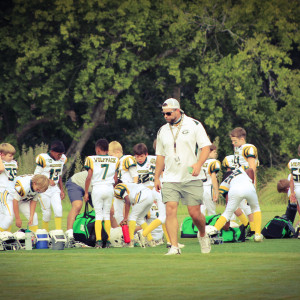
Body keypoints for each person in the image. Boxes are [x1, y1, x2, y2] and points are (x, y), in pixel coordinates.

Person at [154, 98, 212, 255]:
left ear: (177, 110)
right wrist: (156, 176)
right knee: (170, 210)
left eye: (168, 113)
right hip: (170, 178)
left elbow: (206, 147)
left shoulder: (194, 125)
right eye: (163, 113)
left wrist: (199, 164)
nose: (165, 116)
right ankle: (174, 247)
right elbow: (160, 155)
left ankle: (202, 234)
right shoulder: (162, 130)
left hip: (191, 176)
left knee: (194, 213)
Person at [84, 139, 119, 248]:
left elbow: (89, 176)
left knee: (98, 214)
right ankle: (107, 240)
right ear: (108, 150)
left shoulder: (91, 159)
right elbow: (115, 178)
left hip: (97, 188)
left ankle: (99, 241)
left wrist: (86, 192)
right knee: (107, 215)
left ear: (97, 149)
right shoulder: (115, 160)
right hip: (109, 188)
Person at [213, 167, 263, 242]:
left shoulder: (224, 184)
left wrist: (226, 225)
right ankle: (257, 234)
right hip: (249, 187)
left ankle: (213, 232)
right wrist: (252, 183)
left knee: (227, 213)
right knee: (255, 209)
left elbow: (228, 205)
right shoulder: (239, 170)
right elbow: (250, 170)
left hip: (235, 190)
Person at [229, 127, 259, 234]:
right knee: (234, 204)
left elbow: (252, 167)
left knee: (248, 206)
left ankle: (254, 229)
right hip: (238, 180)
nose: (233, 143)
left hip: (246, 180)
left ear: (242, 139)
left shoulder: (248, 148)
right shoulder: (238, 148)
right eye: (232, 141)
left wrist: (252, 182)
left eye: (235, 141)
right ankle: (247, 225)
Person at [34, 140, 67, 231]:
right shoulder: (43, 158)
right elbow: (36, 176)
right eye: (58, 154)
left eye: (61, 154)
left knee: (58, 210)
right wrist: (48, 180)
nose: (60, 156)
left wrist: (62, 189)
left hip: (54, 189)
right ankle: (46, 233)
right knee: (47, 213)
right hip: (43, 189)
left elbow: (59, 175)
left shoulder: (62, 159)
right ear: (52, 151)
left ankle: (58, 232)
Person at [114, 182, 155, 247]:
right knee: (140, 219)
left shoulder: (117, 188)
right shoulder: (129, 186)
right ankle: (150, 240)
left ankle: (131, 241)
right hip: (150, 196)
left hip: (143, 195)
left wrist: (125, 218)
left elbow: (127, 201)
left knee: (132, 217)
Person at [108, 141, 138, 225]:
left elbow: (135, 175)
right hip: (119, 191)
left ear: (118, 152)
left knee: (126, 213)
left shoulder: (127, 159)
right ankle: (123, 233)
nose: (110, 158)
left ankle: (130, 234)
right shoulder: (115, 162)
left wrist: (134, 189)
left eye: (111, 155)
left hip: (128, 189)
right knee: (117, 214)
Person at [65, 170, 93, 243]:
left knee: (108, 209)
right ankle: (69, 234)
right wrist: (86, 193)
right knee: (77, 205)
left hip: (91, 188)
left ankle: (114, 233)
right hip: (76, 183)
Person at [0, 143, 18, 232]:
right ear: (2, 154)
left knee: (6, 214)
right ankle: (4, 234)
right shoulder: (3, 163)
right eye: (10, 156)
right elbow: (1, 169)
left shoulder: (13, 162)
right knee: (8, 214)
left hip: (11, 190)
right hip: (3, 191)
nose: (12, 158)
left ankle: (7, 234)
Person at [201, 144, 221, 216]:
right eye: (214, 152)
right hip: (209, 188)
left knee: (202, 211)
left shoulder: (201, 162)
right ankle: (212, 226)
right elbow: (213, 178)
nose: (216, 153)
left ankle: (201, 227)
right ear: (208, 152)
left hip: (201, 188)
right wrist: (216, 191)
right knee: (211, 211)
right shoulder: (214, 162)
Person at [288, 144, 300, 212]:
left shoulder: (293, 162)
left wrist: (292, 192)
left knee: (298, 204)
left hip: (297, 189)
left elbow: (291, 179)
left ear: (298, 153)